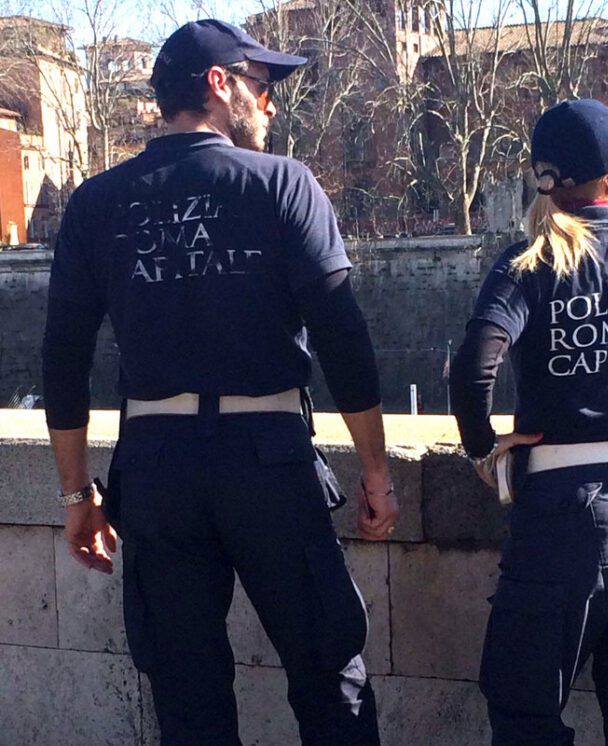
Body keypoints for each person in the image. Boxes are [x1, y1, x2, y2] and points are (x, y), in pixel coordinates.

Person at [42, 19, 398, 746]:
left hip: (156, 467)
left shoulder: (95, 204)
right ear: (219, 85)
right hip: (268, 459)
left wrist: (78, 494)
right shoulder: (283, 184)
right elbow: (341, 334)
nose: (270, 106)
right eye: (261, 87)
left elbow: (62, 358)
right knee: (328, 675)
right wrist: (375, 470)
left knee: (187, 693)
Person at [450, 99, 608, 745]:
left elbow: (473, 369)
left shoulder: (527, 262)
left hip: (568, 513)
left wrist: (483, 451)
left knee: (524, 708)